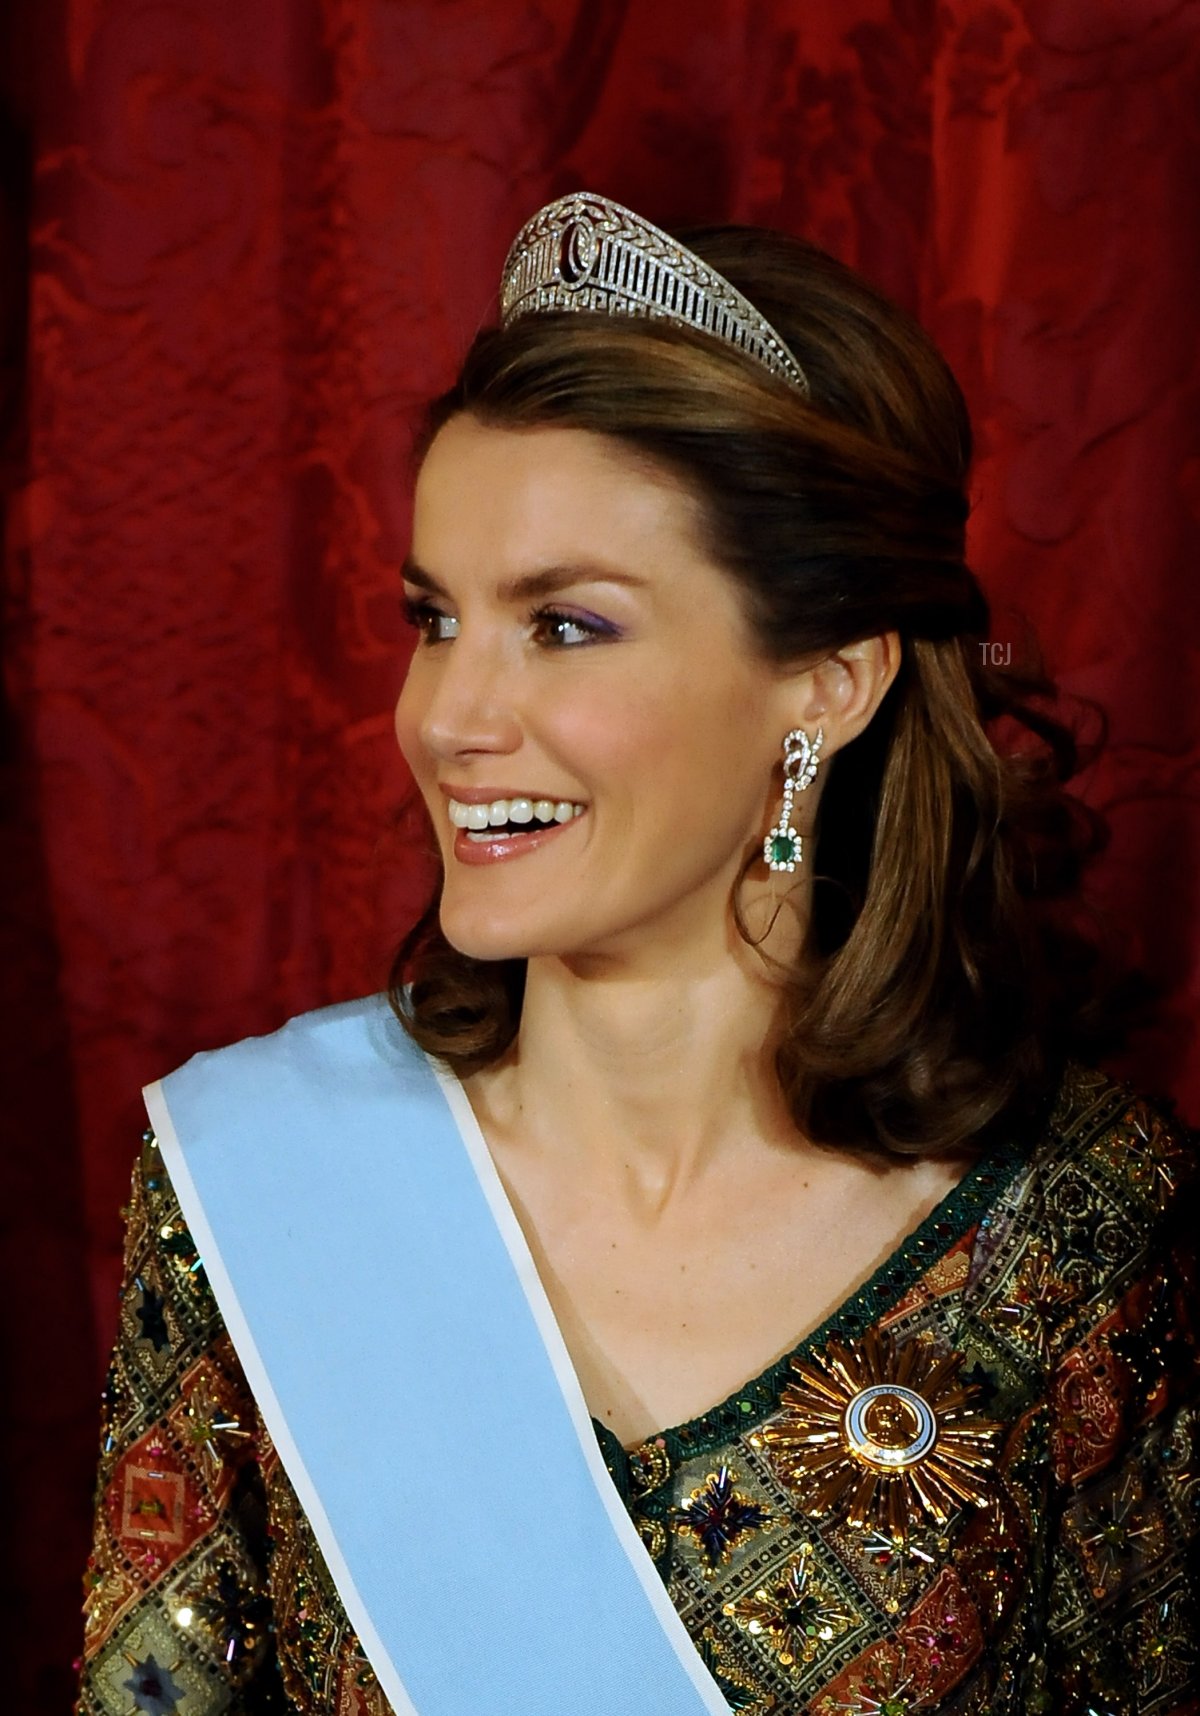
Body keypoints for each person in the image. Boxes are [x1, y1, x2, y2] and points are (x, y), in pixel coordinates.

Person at [77, 193, 1197, 1716]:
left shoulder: (1075, 1226)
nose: (451, 718)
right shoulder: (255, 1181)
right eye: (435, 617)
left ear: (828, 681)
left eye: (567, 628)